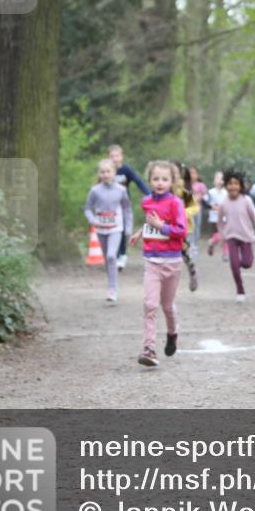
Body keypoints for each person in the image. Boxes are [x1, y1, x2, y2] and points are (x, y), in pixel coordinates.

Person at [128, 161, 187, 367]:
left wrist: (160, 226)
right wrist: (140, 233)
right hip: (152, 260)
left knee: (167, 306)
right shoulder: (147, 202)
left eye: (164, 179)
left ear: (172, 181)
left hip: (172, 261)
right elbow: (149, 222)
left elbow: (181, 231)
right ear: (150, 180)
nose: (160, 183)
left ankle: (172, 333)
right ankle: (149, 348)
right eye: (156, 179)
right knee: (150, 305)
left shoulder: (175, 203)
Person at [84, 159, 133, 303]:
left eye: (108, 171)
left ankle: (113, 289)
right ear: (99, 174)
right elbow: (87, 208)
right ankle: (111, 285)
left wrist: (128, 229)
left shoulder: (121, 190)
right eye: (102, 172)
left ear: (114, 173)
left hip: (116, 228)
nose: (105, 174)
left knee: (112, 256)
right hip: (101, 229)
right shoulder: (95, 190)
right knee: (107, 259)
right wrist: (93, 220)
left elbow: (127, 210)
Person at [213, 173, 255, 303]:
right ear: (226, 186)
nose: (233, 186)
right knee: (234, 264)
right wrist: (223, 235)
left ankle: (240, 263)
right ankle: (240, 290)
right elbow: (219, 222)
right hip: (231, 237)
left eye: (236, 183)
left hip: (246, 237)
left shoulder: (246, 200)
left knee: (247, 263)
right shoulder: (224, 203)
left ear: (240, 186)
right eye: (230, 184)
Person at [108, 145, 150, 270]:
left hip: (123, 206)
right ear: (108, 158)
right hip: (110, 207)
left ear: (122, 157)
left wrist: (150, 195)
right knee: (112, 231)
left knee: (123, 231)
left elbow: (139, 182)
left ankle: (122, 255)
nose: (115, 159)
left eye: (117, 156)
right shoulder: (107, 171)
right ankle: (114, 255)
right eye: (112, 156)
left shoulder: (126, 170)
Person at [172, 161, 200, 292]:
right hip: (166, 229)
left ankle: (192, 272)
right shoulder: (163, 190)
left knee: (185, 254)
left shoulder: (184, 192)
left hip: (184, 229)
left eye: (175, 172)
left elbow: (194, 207)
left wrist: (183, 213)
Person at [206, 171, 228, 259]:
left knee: (225, 235)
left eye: (221, 179)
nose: (220, 181)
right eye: (218, 178)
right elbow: (206, 203)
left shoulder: (226, 192)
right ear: (214, 180)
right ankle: (212, 243)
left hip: (225, 218)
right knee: (219, 235)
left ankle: (225, 253)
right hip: (214, 218)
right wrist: (212, 207)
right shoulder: (210, 192)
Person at [188, 166, 208, 248]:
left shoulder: (201, 185)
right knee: (189, 227)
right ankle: (188, 243)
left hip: (198, 209)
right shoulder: (186, 185)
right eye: (190, 173)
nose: (192, 175)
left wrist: (198, 197)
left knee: (196, 227)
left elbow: (205, 195)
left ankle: (195, 244)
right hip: (188, 210)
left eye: (194, 173)